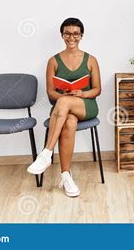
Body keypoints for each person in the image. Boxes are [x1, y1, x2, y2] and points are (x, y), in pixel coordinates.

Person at [27, 17, 101, 197]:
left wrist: (81, 94)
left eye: (75, 33)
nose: (71, 37)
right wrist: (64, 97)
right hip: (63, 109)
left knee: (64, 103)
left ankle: (46, 153)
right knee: (68, 121)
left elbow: (97, 89)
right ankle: (66, 176)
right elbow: (51, 92)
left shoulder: (91, 60)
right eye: (67, 33)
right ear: (62, 35)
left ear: (81, 35)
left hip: (86, 105)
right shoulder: (53, 61)